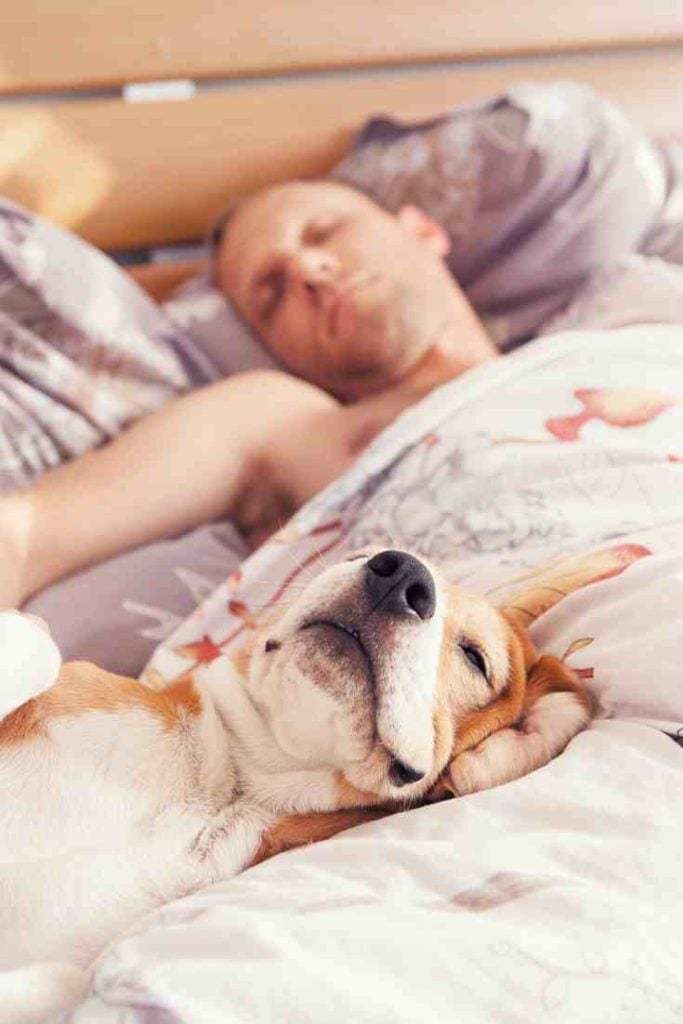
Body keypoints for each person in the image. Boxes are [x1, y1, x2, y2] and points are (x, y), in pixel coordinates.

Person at [0, 180, 497, 624]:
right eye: (272, 295)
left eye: (324, 231)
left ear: (423, 229)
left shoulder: (574, 353)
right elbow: (24, 540)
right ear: (277, 349)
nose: (307, 268)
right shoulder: (284, 420)